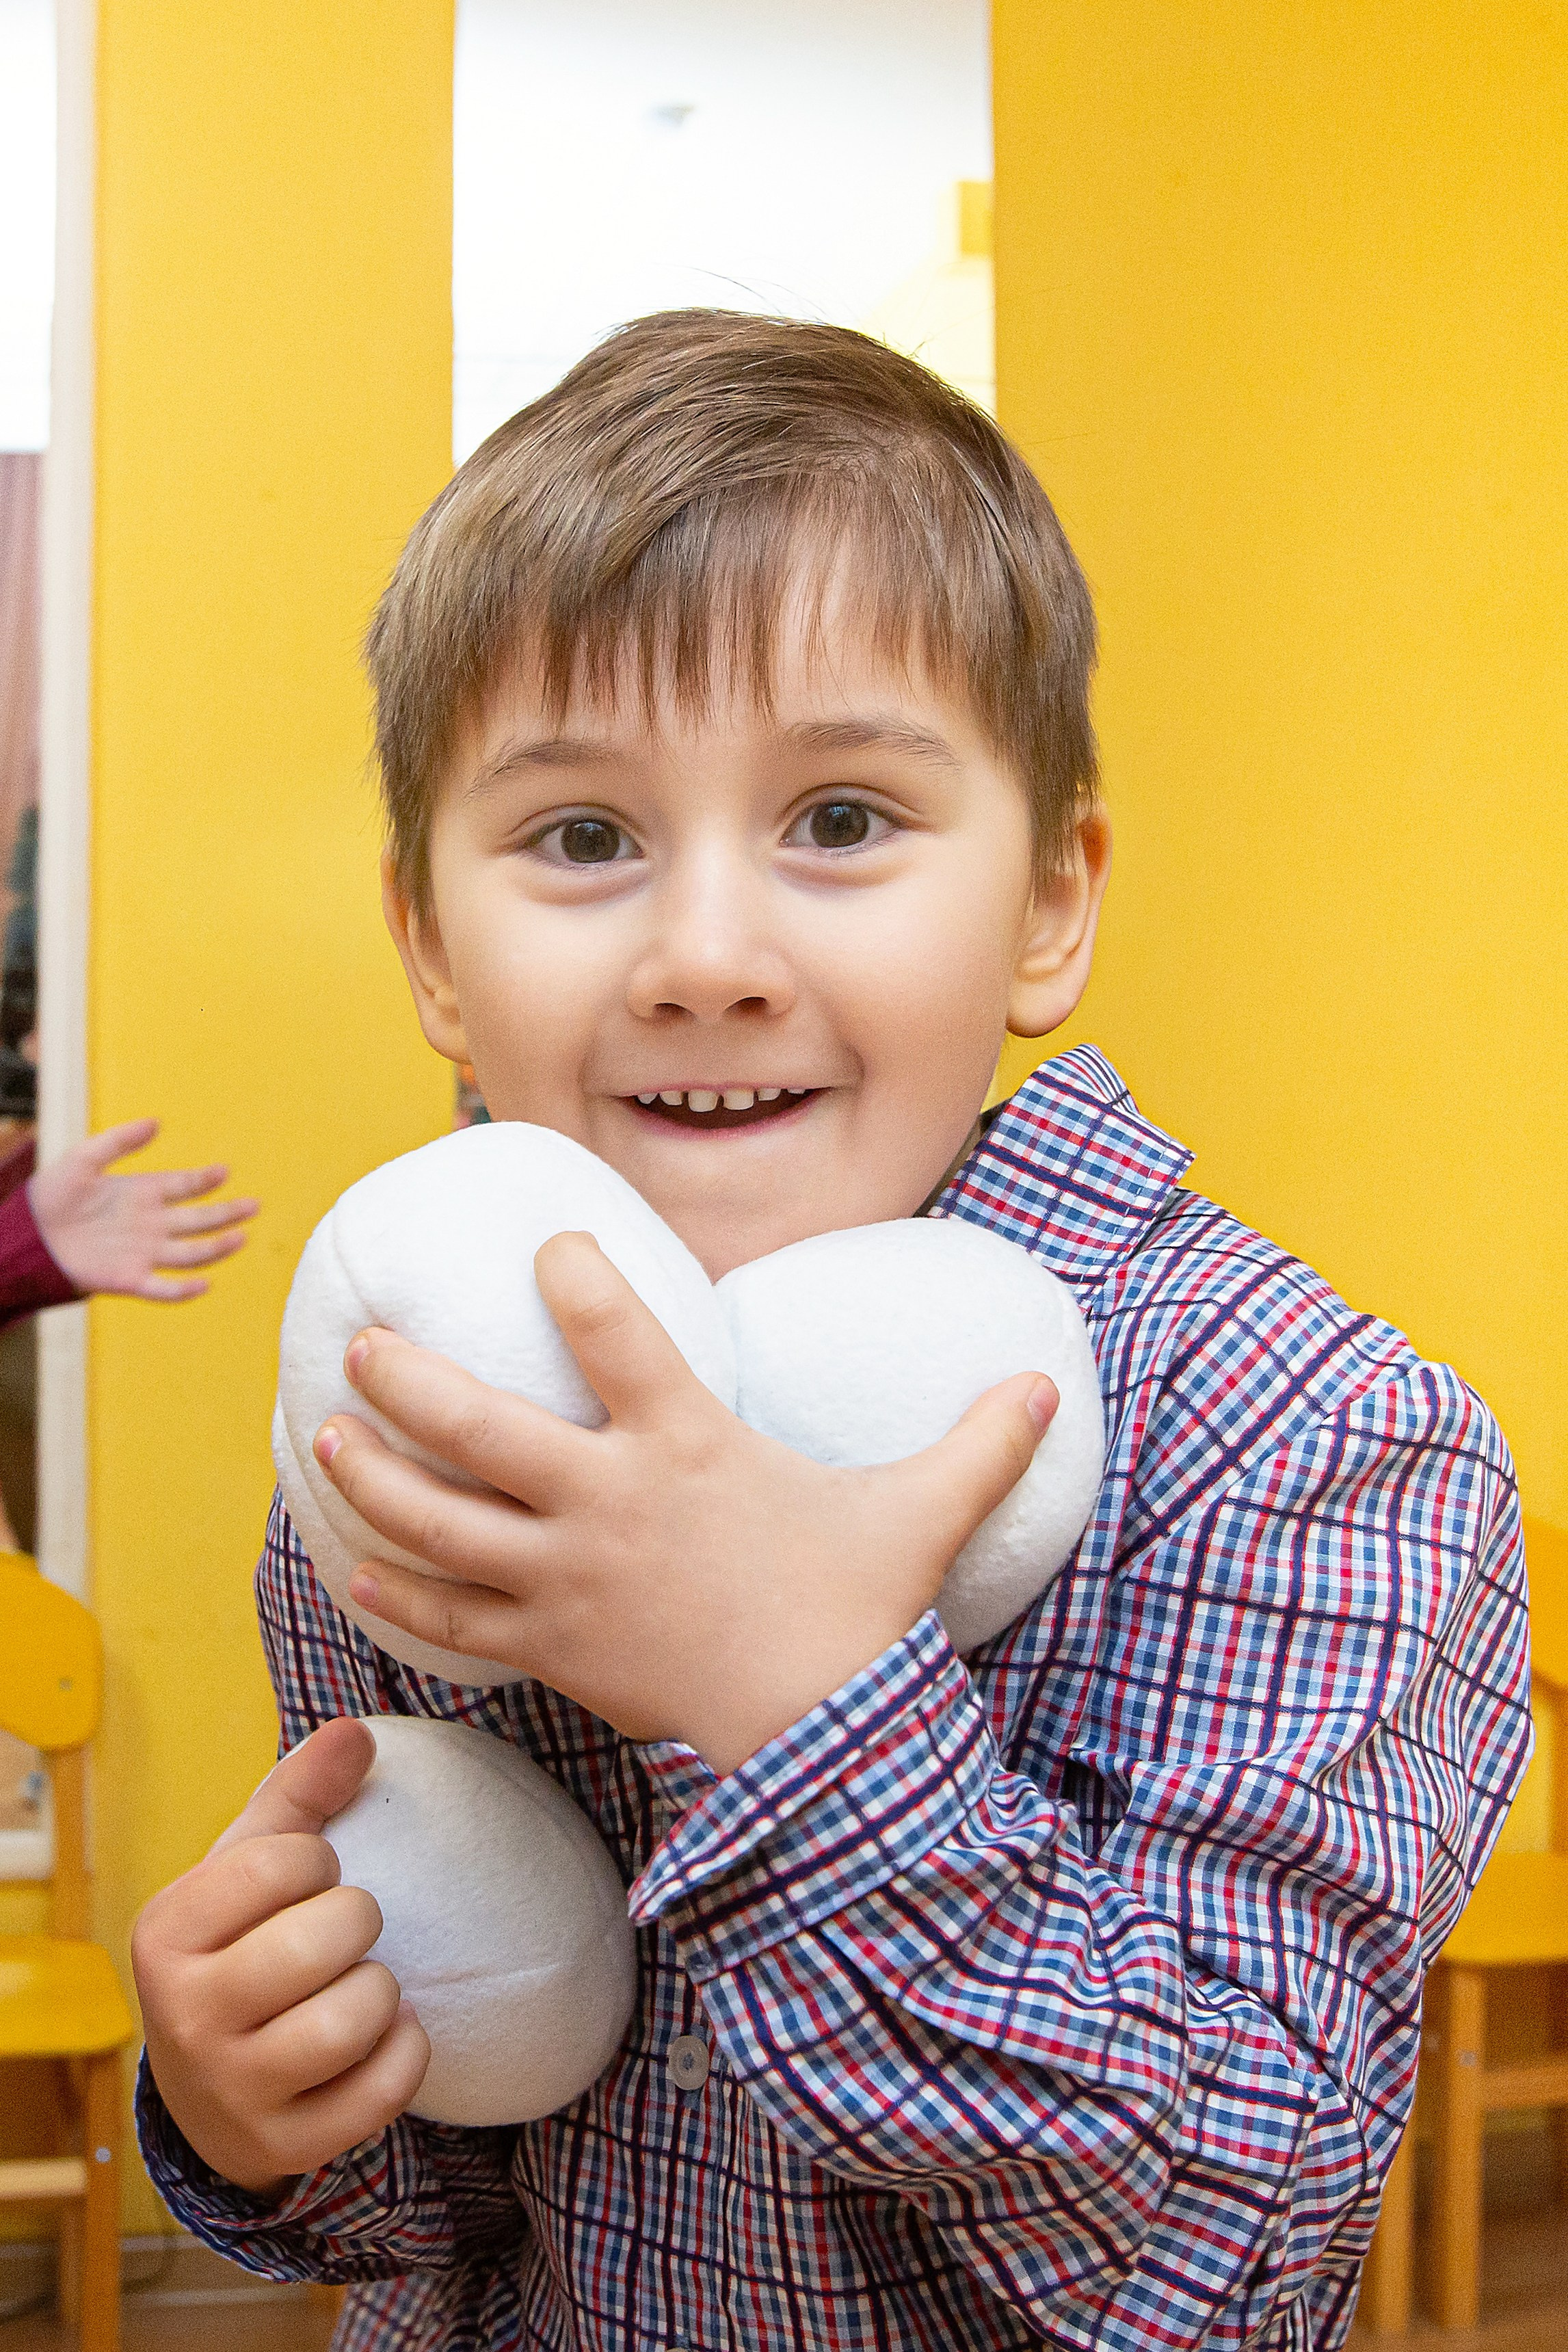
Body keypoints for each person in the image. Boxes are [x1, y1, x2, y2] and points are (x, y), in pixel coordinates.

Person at [130, 313, 1528, 2352]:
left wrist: (800, 1703)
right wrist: (257, 2095)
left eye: (845, 819)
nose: (707, 956)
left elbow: (1236, 2252)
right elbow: (450, 2201)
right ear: (431, 944)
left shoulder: (1309, 1436)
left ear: (1051, 899)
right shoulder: (412, 1408)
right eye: (584, 839)